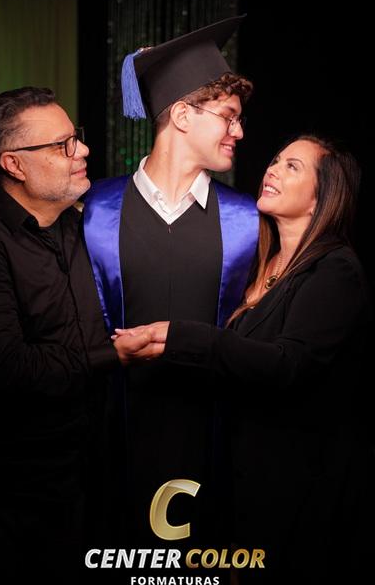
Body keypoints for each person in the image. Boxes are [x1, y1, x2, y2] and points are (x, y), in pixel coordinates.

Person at [114, 134, 374, 583]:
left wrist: (180, 336)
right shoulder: (260, 264)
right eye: (276, 160)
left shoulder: (335, 269)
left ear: (322, 197)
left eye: (292, 167)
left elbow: (286, 365)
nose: (272, 169)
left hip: (297, 491)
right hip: (241, 483)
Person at [83, 16, 259, 547]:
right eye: (229, 116)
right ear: (182, 115)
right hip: (108, 444)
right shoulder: (92, 211)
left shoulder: (248, 222)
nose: (239, 132)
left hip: (213, 444)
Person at [0, 86, 116, 584]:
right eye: (62, 145)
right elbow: (5, 368)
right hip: (13, 497)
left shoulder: (87, 227)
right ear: (14, 164)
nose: (83, 150)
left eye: (76, 137)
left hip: (95, 479)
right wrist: (112, 354)